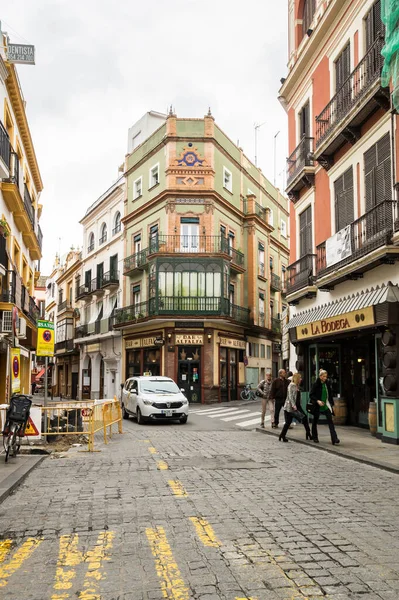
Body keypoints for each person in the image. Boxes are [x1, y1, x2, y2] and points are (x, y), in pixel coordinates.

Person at [309, 369, 340, 445]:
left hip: (326, 405)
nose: (325, 378)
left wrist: (332, 404)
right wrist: (318, 401)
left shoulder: (327, 384)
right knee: (315, 421)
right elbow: (311, 395)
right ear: (320, 376)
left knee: (330, 421)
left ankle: (334, 438)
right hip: (317, 405)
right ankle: (315, 437)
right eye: (324, 376)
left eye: (326, 376)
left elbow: (330, 394)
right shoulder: (316, 384)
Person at [279, 372, 304, 442]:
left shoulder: (296, 386)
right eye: (300, 378)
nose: (301, 379)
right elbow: (290, 396)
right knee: (288, 422)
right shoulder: (291, 385)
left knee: (288, 422)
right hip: (289, 407)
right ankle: (282, 435)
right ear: (297, 379)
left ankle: (282, 435)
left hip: (291, 407)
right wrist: (293, 405)